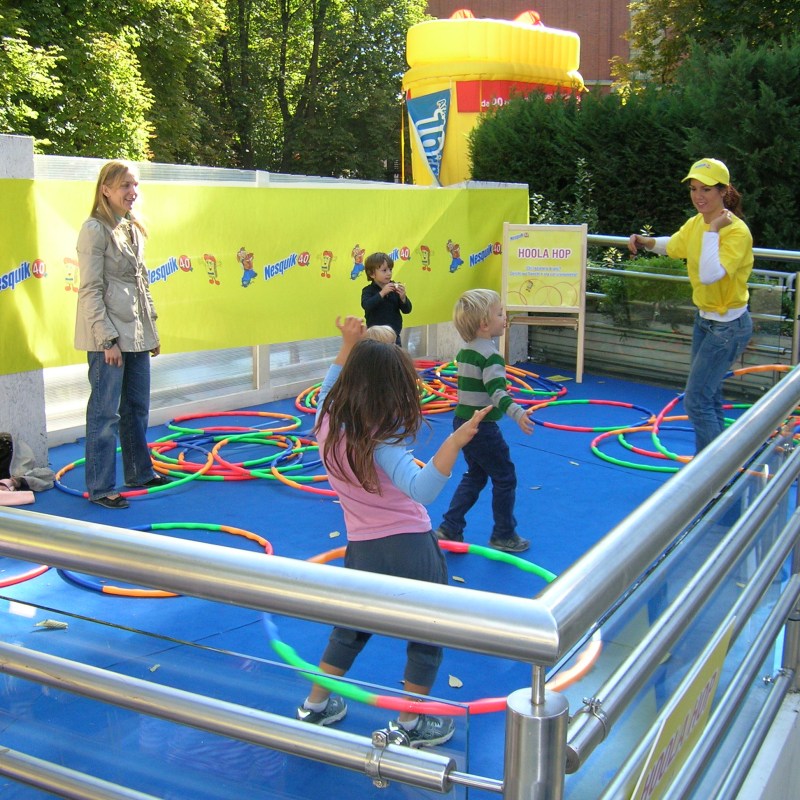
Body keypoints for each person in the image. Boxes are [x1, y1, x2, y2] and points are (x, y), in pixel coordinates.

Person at [296, 316, 492, 747]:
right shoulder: (381, 443)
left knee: (350, 628)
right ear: (392, 391)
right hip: (412, 548)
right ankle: (409, 721)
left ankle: (315, 704)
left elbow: (328, 387)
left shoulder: (326, 424)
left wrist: (348, 343)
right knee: (427, 633)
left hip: (362, 548)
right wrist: (455, 442)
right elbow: (422, 490)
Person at [628, 157, 753, 452]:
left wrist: (713, 230)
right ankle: (718, 465)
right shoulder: (697, 223)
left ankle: (709, 472)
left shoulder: (736, 232)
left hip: (728, 327)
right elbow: (675, 245)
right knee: (708, 397)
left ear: (724, 191)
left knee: (696, 400)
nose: (698, 196)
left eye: (706, 189)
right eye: (694, 189)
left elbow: (710, 274)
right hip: (706, 322)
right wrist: (646, 242)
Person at [74, 160, 168, 509]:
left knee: (136, 407)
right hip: (109, 337)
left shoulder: (132, 228)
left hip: (136, 334)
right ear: (106, 189)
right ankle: (101, 487)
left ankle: (139, 472)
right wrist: (107, 340)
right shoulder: (94, 229)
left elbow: (141, 285)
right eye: (125, 185)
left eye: (135, 185)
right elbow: (90, 290)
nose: (132, 192)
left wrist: (151, 332)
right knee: (105, 414)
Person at [435, 289, 534, 553]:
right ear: (484, 324)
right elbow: (496, 392)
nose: (505, 317)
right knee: (505, 477)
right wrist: (517, 412)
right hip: (482, 427)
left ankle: (450, 527)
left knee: (476, 475)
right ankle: (503, 534)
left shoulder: (466, 351)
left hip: (462, 422)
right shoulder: (491, 356)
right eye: (500, 313)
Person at [360, 252, 412, 345]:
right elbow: (366, 305)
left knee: (395, 355)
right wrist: (382, 293)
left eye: (390, 269)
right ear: (372, 274)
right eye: (384, 270)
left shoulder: (395, 288)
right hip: (375, 337)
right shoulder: (368, 290)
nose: (389, 273)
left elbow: (407, 310)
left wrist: (403, 298)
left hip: (394, 336)